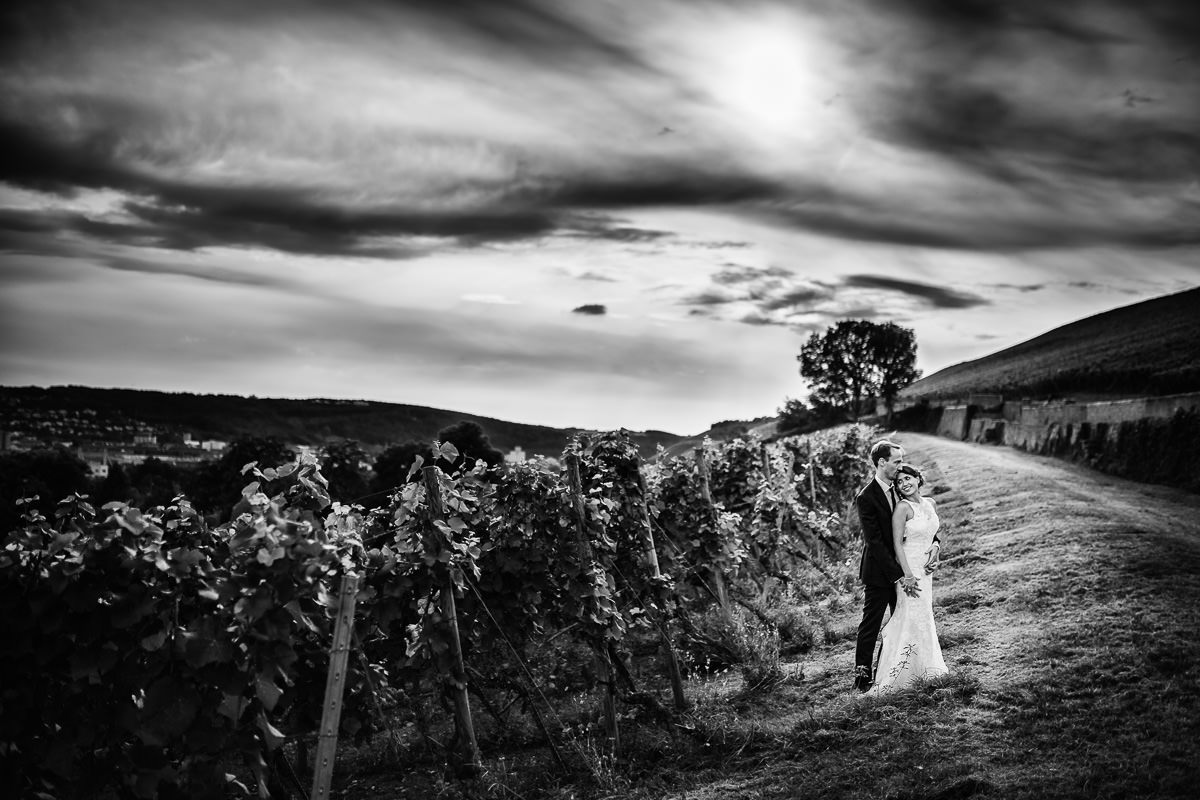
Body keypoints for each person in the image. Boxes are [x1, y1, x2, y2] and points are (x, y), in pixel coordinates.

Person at [852, 440, 940, 692]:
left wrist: (935, 545)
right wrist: (900, 577)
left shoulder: (900, 490)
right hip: (882, 574)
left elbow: (922, 524)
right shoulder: (866, 497)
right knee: (871, 624)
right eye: (897, 461)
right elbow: (875, 542)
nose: (901, 465)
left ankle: (893, 670)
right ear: (882, 462)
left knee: (902, 622)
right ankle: (861, 678)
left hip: (909, 570)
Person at [868, 462, 949, 693]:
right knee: (910, 617)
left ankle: (927, 668)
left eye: (908, 479)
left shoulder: (930, 503)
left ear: (918, 478)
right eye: (899, 482)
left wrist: (936, 548)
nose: (904, 484)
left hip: (926, 570)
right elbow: (896, 545)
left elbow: (933, 531)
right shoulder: (902, 509)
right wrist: (907, 576)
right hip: (910, 570)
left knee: (924, 615)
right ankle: (902, 673)